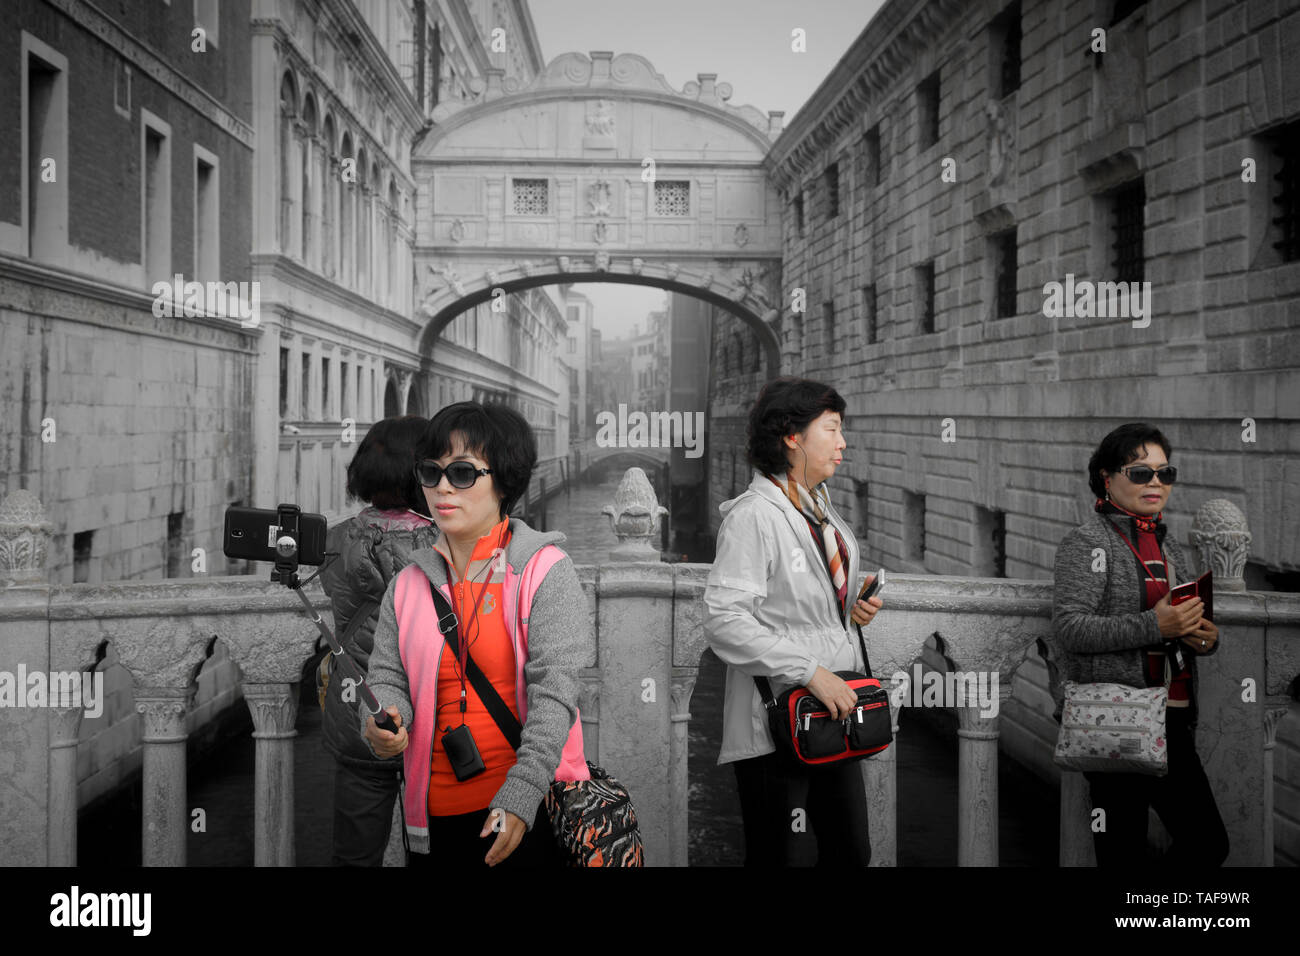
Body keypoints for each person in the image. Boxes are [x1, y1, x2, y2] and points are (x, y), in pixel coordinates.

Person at [360, 401, 589, 867]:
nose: (442, 487)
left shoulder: (543, 571)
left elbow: (556, 693)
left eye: (462, 473)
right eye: (431, 472)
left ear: (502, 481)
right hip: (429, 825)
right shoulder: (408, 584)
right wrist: (386, 723)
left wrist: (522, 796)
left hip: (522, 816)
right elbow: (388, 677)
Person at [703, 377, 883, 866]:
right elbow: (724, 621)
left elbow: (804, 600)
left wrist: (851, 610)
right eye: (832, 429)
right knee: (778, 855)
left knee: (851, 852)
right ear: (792, 436)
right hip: (777, 716)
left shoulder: (818, 504)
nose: (843, 443)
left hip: (834, 708)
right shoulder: (754, 516)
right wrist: (809, 671)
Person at [1050, 422, 1228, 866]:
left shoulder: (1170, 550)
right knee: (1124, 851)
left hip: (1172, 720)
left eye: (1164, 473)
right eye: (1140, 472)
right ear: (1107, 479)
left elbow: (1176, 626)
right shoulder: (1087, 542)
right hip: (1116, 718)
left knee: (1206, 843)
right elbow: (1071, 629)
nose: (1155, 483)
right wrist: (1156, 625)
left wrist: (1201, 638)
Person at [318, 415, 437, 867]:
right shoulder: (448, 543)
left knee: (354, 854)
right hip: (433, 717)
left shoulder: (334, 540)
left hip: (358, 711)